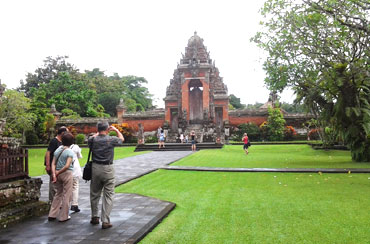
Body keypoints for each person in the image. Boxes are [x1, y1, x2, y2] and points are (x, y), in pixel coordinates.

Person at [89, 121, 124, 229]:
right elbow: (122, 139)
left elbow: (92, 138)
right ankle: (105, 220)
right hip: (108, 168)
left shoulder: (93, 139)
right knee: (108, 194)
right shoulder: (111, 139)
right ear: (107, 129)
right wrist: (116, 130)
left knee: (95, 193)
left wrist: (98, 132)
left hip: (95, 168)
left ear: (98, 129)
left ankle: (94, 216)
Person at [48, 132, 75, 222]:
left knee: (58, 194)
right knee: (67, 194)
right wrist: (59, 171)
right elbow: (67, 165)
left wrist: (55, 174)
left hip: (57, 173)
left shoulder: (58, 149)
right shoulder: (70, 152)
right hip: (66, 173)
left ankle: (52, 214)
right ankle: (64, 216)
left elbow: (53, 163)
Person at [45, 126, 68, 202]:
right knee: (53, 183)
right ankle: (52, 200)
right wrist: (48, 165)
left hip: (59, 166)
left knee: (59, 184)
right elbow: (48, 153)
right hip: (53, 165)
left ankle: (57, 201)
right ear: (62, 133)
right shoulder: (54, 141)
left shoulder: (61, 142)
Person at [70, 142, 83, 212]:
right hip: (74, 168)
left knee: (65, 188)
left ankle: (62, 205)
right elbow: (80, 156)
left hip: (65, 170)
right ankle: (74, 204)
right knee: (75, 186)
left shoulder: (61, 147)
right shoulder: (75, 147)